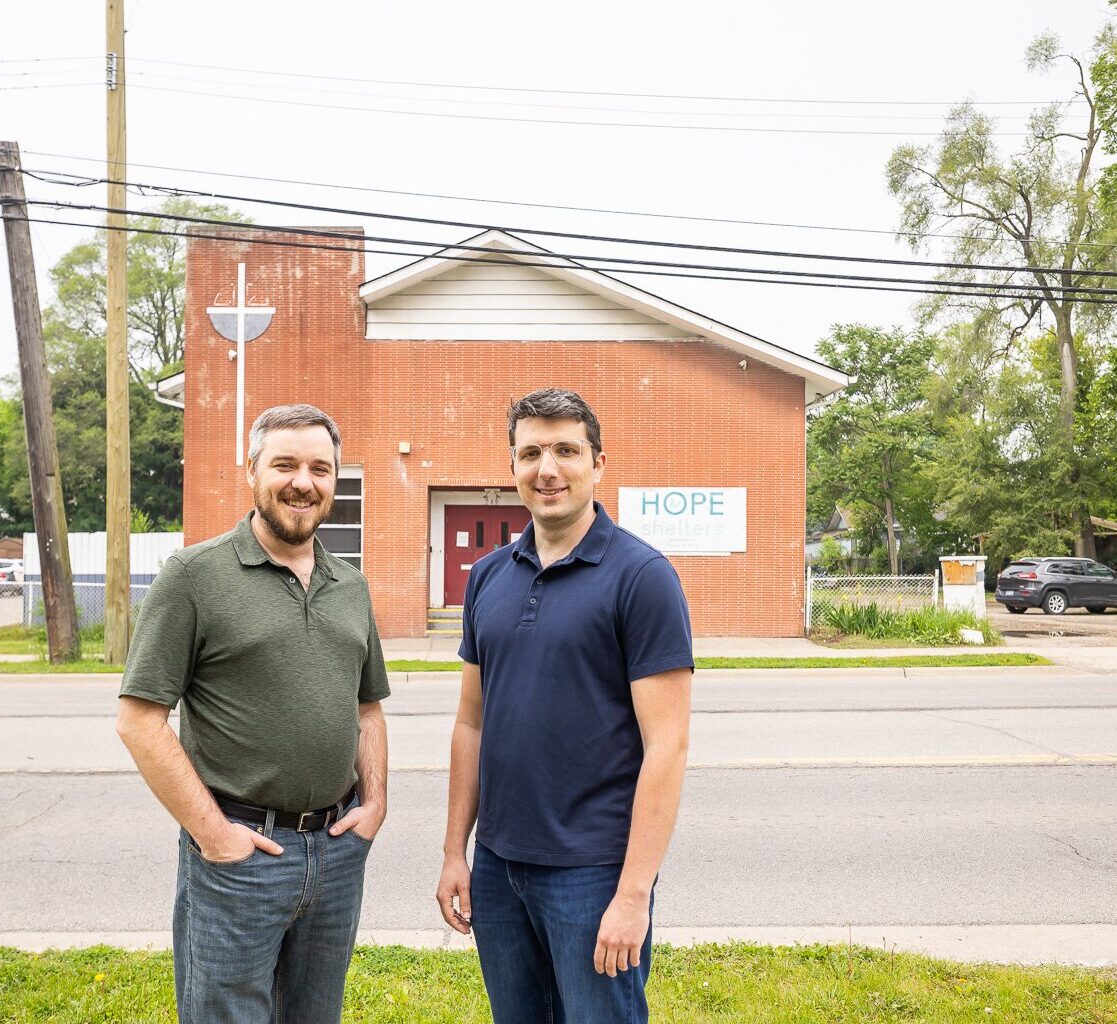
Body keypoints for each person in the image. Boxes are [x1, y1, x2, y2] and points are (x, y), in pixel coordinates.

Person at [117, 403, 389, 1024]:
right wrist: (215, 835)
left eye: (320, 468)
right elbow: (139, 720)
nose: (303, 482)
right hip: (241, 858)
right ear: (252, 471)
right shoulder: (194, 576)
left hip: (337, 853)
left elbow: (367, 707)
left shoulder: (351, 586)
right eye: (285, 464)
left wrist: (374, 804)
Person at [435, 388, 694, 1024]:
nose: (547, 469)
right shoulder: (487, 576)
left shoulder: (642, 577)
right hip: (498, 867)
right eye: (530, 454)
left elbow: (667, 746)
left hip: (593, 873)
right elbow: (471, 723)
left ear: (597, 464)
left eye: (566, 451)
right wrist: (455, 852)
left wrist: (633, 894)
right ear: (512, 466)